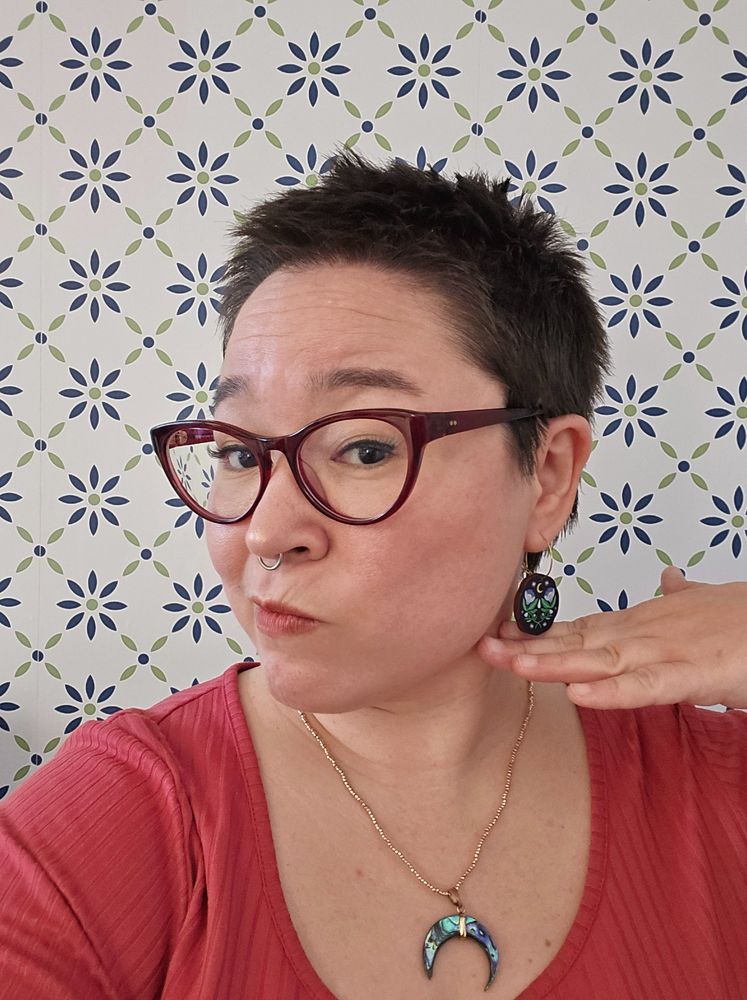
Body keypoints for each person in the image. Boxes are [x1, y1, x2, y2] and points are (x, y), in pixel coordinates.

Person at [0, 147, 745, 1000]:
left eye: (362, 447)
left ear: (546, 477)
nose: (265, 532)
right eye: (239, 453)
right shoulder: (116, 820)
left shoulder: (714, 788)